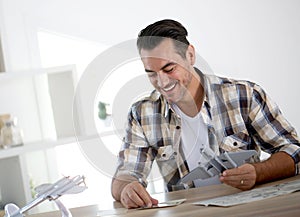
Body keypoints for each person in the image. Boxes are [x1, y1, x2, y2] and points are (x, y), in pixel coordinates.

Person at [111, 19, 300, 209]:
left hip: (248, 210)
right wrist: (127, 188)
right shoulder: (142, 114)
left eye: (169, 69)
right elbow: (124, 176)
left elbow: (294, 150)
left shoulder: (244, 95)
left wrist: (258, 172)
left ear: (190, 55)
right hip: (190, 213)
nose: (161, 82)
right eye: (151, 73)